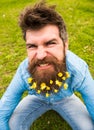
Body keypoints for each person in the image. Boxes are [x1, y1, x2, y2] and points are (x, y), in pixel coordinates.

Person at [0, 1, 94, 130]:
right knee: (13, 125)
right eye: (32, 46)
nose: (40, 55)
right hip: (36, 99)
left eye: (50, 43)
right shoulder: (24, 72)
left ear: (65, 45)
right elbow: (2, 112)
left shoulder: (78, 70)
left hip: (65, 99)